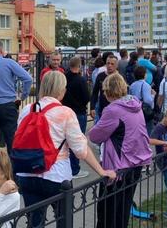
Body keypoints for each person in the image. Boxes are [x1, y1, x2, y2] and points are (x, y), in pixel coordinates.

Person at [19, 71, 116, 228]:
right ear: (61, 90)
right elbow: (81, 150)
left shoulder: (27, 109)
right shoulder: (65, 113)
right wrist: (101, 171)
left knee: (34, 222)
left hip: (27, 172)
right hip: (56, 174)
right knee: (63, 219)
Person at [88, 73, 152, 228]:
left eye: (104, 91)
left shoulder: (113, 110)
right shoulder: (135, 104)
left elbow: (95, 136)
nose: (103, 94)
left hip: (118, 167)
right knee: (123, 209)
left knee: (107, 213)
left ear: (108, 91)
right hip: (136, 162)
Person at [0, 41, 33, 155]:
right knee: (12, 140)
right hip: (8, 105)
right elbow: (28, 79)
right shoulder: (9, 63)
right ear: (1, 51)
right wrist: (23, 96)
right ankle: (13, 165)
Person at [63, 56, 91, 179]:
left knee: (66, 141)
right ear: (79, 66)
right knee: (77, 140)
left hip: (66, 111)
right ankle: (74, 169)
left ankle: (68, 166)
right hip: (78, 112)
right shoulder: (80, 80)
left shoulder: (64, 77)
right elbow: (86, 97)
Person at [90, 55, 118, 121]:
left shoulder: (119, 78)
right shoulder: (100, 76)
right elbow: (95, 92)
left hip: (116, 110)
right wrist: (92, 107)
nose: (109, 65)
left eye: (112, 64)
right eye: (108, 63)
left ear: (116, 65)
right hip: (102, 109)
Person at [129, 66, 156, 133]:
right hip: (144, 112)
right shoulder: (146, 85)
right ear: (144, 75)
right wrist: (153, 95)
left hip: (134, 110)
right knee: (148, 131)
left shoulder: (132, 85)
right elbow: (148, 101)